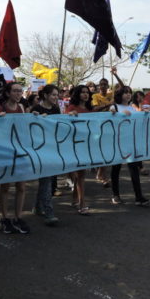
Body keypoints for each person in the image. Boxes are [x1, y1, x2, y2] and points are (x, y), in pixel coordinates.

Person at [0, 82, 30, 234]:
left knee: (21, 186)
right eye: (15, 91)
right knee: (5, 187)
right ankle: (5, 218)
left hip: (20, 151)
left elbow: (26, 126)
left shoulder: (22, 108)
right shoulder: (1, 109)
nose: (18, 94)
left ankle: (18, 217)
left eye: (20, 91)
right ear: (8, 93)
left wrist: (34, 117)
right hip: (5, 152)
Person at [109, 86, 150, 206]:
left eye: (129, 93)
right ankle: (115, 195)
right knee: (116, 169)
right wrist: (118, 114)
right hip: (117, 142)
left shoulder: (132, 108)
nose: (128, 95)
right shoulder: (115, 107)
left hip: (130, 142)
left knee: (134, 169)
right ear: (119, 94)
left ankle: (139, 196)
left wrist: (144, 115)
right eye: (125, 93)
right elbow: (111, 116)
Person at [30, 84, 61, 226]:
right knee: (47, 180)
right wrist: (36, 118)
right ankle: (49, 213)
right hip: (40, 149)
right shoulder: (36, 109)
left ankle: (37, 207)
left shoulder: (56, 109)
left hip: (52, 147)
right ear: (46, 95)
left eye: (57, 95)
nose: (56, 97)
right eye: (53, 95)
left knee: (46, 180)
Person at [65, 85, 94, 215]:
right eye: (82, 92)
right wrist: (70, 115)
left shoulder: (89, 109)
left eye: (87, 92)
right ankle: (82, 204)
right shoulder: (72, 108)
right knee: (81, 174)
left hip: (86, 144)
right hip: (75, 145)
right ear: (77, 94)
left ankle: (75, 199)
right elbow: (64, 120)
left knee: (80, 174)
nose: (85, 94)